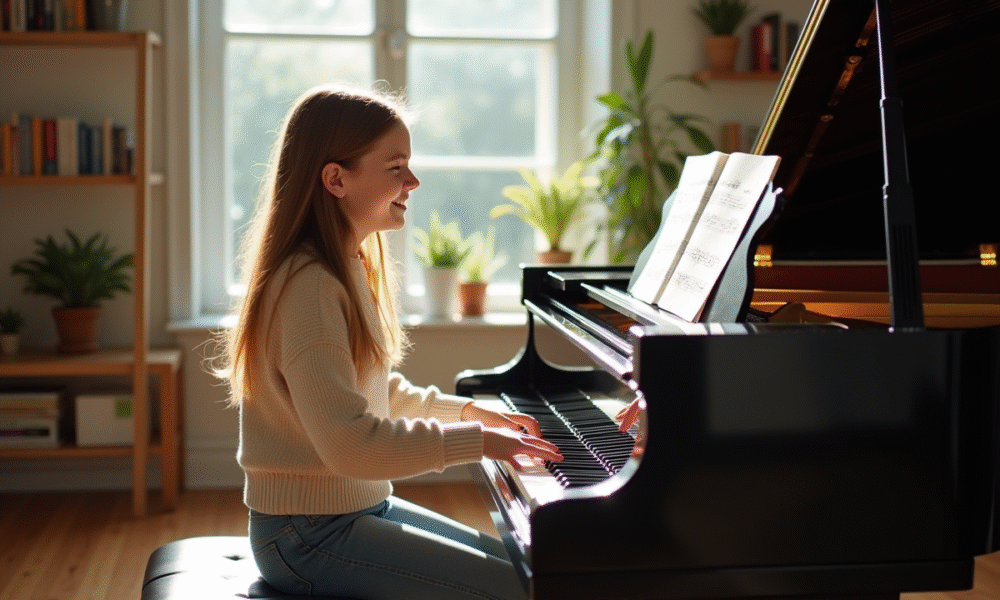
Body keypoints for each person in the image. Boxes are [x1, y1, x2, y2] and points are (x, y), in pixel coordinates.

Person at [220, 84, 563, 600]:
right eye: (395, 167)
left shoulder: (343, 265)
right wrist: (482, 444)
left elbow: (370, 394)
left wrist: (472, 414)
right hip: (306, 535)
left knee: (539, 574)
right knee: (525, 592)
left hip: (349, 511)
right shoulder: (309, 286)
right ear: (336, 179)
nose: (413, 181)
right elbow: (352, 443)